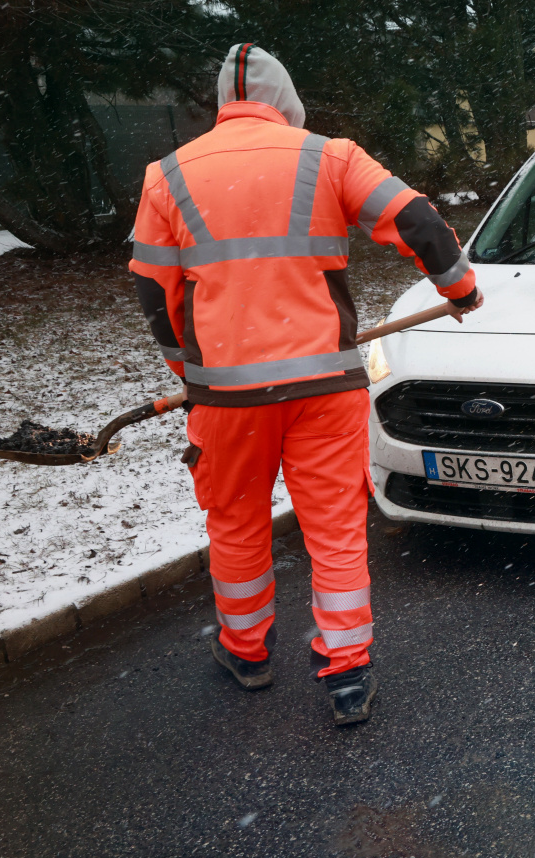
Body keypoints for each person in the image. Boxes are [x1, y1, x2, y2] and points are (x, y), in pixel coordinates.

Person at [129, 44, 482, 723]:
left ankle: (247, 652)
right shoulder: (330, 157)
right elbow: (418, 222)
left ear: (221, 106)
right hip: (323, 388)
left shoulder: (165, 175)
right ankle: (347, 673)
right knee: (336, 530)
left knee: (234, 524)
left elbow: (152, 289)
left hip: (226, 399)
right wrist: (459, 287)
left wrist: (187, 368)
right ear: (287, 103)